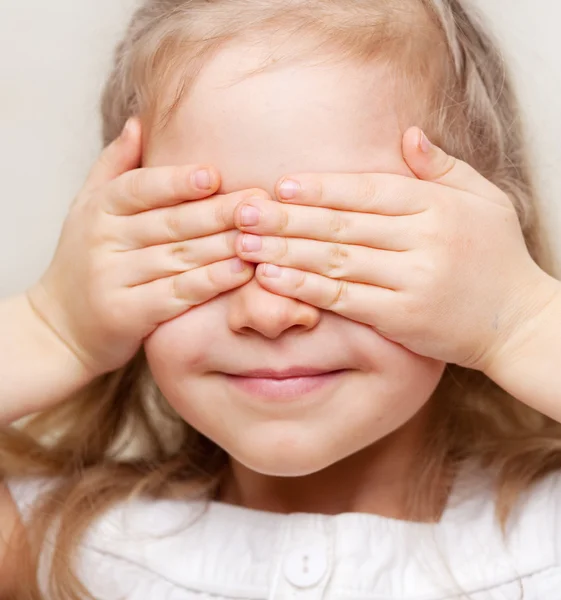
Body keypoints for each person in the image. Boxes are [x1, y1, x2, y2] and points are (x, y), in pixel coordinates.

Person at [1, 0, 561, 597]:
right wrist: (52, 327)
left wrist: (520, 322)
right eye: (205, 242)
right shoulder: (65, 548)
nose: (268, 314)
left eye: (338, 236)